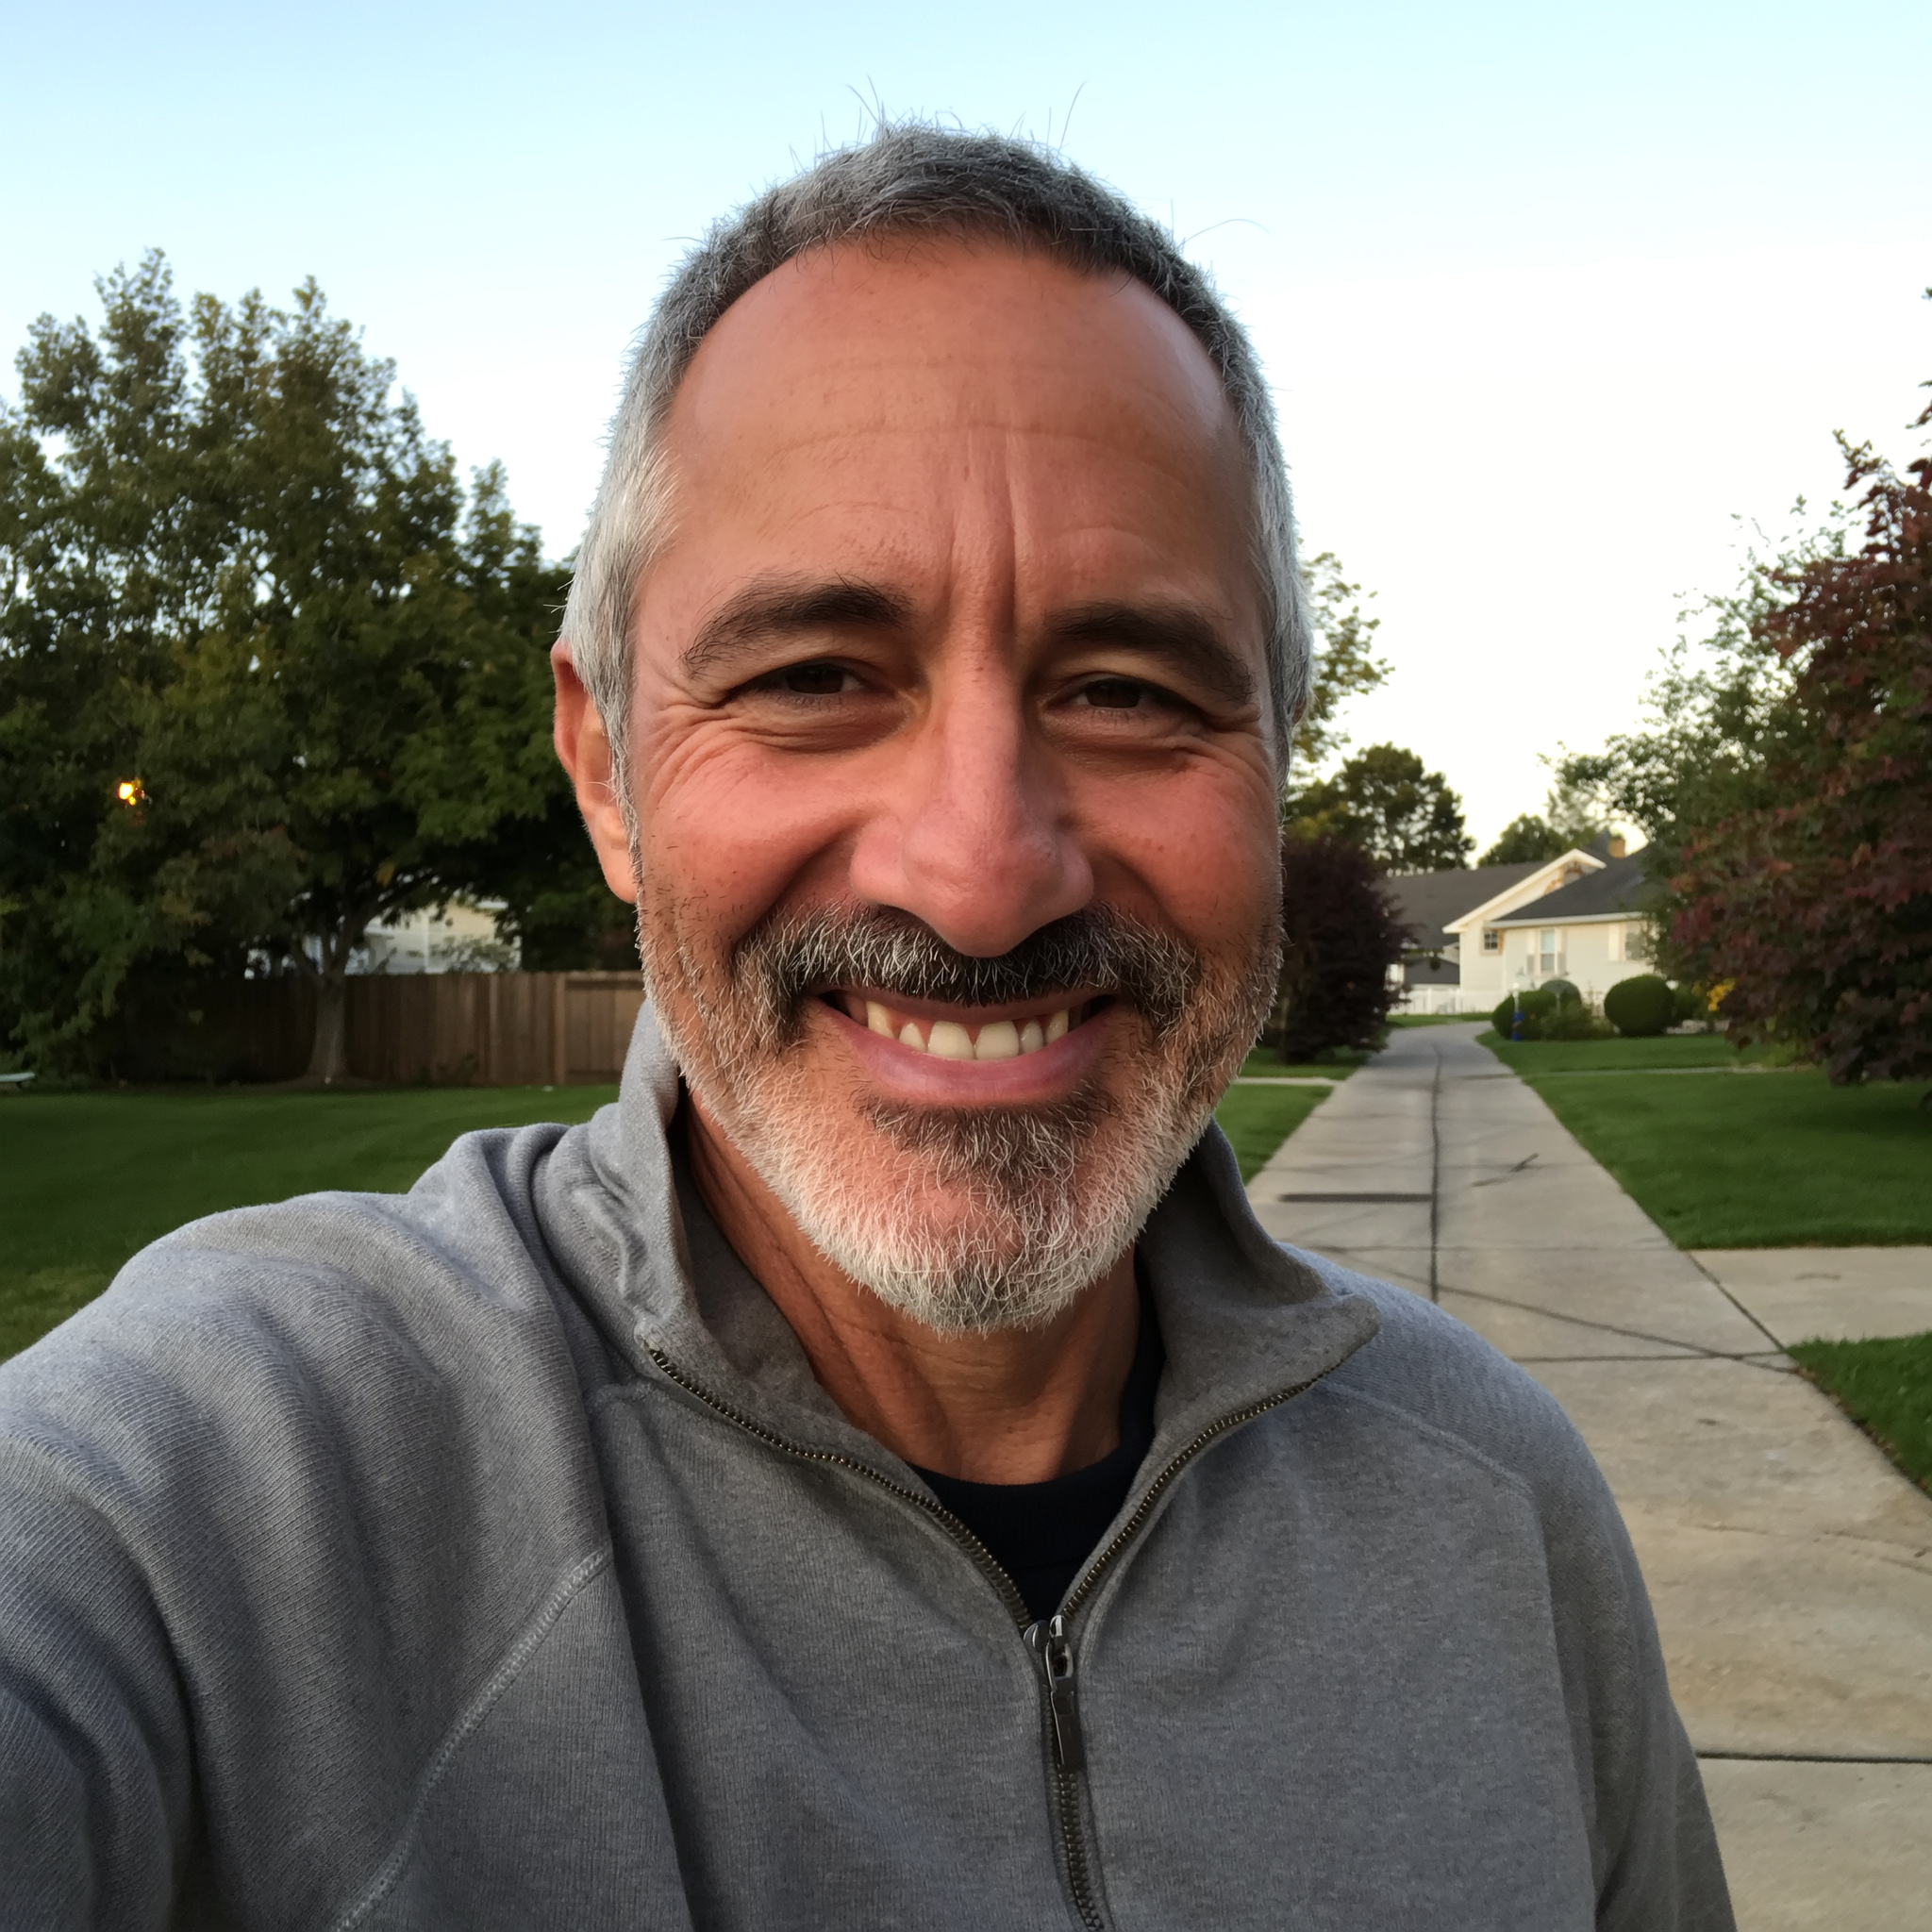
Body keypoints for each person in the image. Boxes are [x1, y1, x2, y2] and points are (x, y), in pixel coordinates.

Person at [0, 126, 1732, 1929]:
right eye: (814, 678)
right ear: (606, 771)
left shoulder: (1499, 1507)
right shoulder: (231, 1495)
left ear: (1275, 763)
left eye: (1128, 691)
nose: (982, 881)